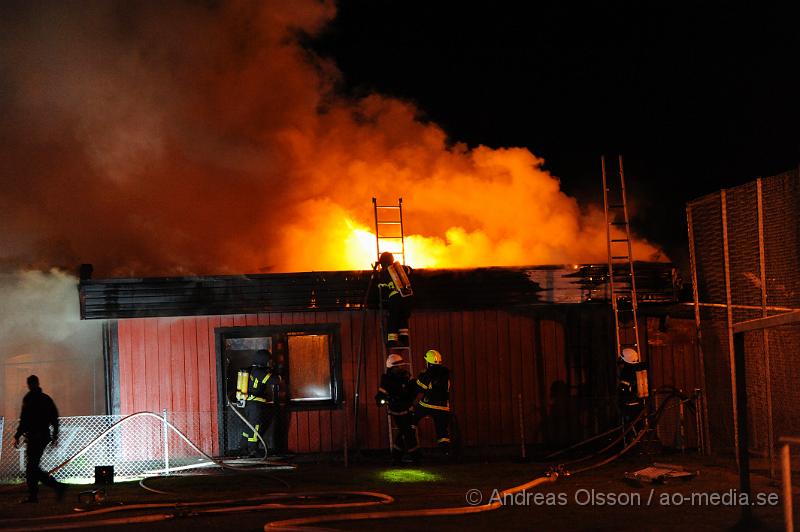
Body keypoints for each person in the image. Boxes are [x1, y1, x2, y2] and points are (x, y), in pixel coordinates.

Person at [13, 375, 66, 503]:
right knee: (32, 467)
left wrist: (17, 435)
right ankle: (37, 494)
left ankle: (52, 488)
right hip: (42, 436)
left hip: (35, 436)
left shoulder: (29, 399)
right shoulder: (45, 399)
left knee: (31, 467)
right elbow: (54, 419)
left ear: (29, 385)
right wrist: (54, 436)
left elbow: (24, 419)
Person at [375, 354, 419, 465]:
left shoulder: (406, 376)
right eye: (397, 366)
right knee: (407, 432)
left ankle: (397, 457)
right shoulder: (386, 379)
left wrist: (411, 393)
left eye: (400, 366)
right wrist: (381, 400)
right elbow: (382, 393)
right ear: (391, 367)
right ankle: (415, 457)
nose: (399, 368)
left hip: (408, 408)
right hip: (396, 410)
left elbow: (413, 389)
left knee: (405, 432)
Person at [239, 349, 278, 458]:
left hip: (248, 404)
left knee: (248, 426)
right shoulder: (259, 372)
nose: (269, 363)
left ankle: (243, 448)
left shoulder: (252, 370)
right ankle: (253, 449)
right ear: (263, 360)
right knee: (255, 427)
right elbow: (274, 381)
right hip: (255, 405)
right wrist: (278, 373)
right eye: (268, 361)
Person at [413, 349, 452, 456]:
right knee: (442, 431)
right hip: (444, 407)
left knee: (412, 419)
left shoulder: (428, 372)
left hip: (427, 404)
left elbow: (419, 389)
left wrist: (417, 379)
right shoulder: (445, 372)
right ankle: (447, 453)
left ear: (428, 362)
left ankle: (409, 445)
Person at [376, 252, 413, 353]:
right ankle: (404, 340)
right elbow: (410, 270)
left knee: (393, 318)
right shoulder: (402, 268)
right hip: (407, 299)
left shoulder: (384, 273)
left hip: (395, 299)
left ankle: (392, 341)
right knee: (403, 318)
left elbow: (381, 287)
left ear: (383, 262)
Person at [618, 347, 648, 427]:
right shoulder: (642, 367)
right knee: (640, 424)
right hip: (642, 402)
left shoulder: (626, 372)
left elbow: (623, 388)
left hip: (630, 404)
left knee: (631, 426)